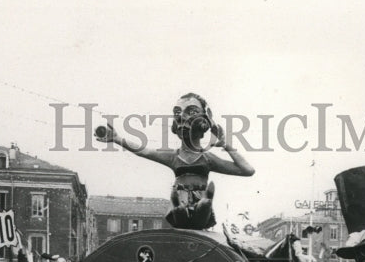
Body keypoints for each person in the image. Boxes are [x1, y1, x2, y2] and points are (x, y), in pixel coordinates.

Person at [95, 92, 255, 230]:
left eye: (191, 111)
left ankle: (203, 204)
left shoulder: (207, 158)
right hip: (180, 202)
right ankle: (182, 206)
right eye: (177, 112)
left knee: (202, 209)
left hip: (200, 205)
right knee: (180, 212)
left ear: (204, 121)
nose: (182, 116)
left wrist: (226, 144)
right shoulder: (173, 157)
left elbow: (247, 170)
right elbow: (144, 151)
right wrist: (117, 139)